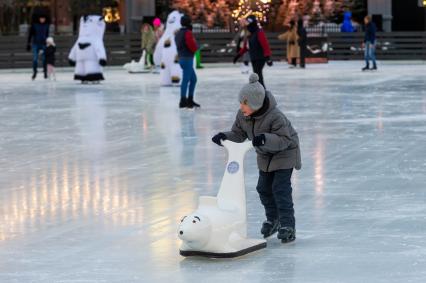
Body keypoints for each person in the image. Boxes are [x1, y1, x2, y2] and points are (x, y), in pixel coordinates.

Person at [211, 73, 302, 243]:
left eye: (245, 103)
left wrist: (265, 139)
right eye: (241, 102)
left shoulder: (275, 116)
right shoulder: (243, 115)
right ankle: (273, 219)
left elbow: (284, 139)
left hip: (285, 153)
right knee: (263, 188)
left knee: (280, 189)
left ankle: (288, 225)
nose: (241, 106)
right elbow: (238, 134)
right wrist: (224, 137)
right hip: (265, 155)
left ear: (256, 104)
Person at [233, 15, 272, 88]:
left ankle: (263, 95)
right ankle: (261, 92)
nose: (246, 24)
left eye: (247, 22)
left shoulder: (259, 32)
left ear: (252, 23)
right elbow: (246, 47)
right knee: (257, 76)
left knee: (258, 76)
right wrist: (238, 56)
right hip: (254, 58)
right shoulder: (250, 34)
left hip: (260, 58)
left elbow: (265, 45)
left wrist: (268, 58)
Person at [175, 15, 200, 109]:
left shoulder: (178, 33)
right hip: (187, 59)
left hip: (182, 59)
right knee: (186, 80)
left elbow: (179, 45)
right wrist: (196, 48)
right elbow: (191, 44)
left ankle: (189, 99)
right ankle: (183, 100)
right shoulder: (187, 33)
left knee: (193, 79)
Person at [27, 15, 49, 80]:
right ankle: (35, 72)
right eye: (41, 18)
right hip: (36, 43)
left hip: (44, 44)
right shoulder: (34, 25)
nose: (42, 19)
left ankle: (45, 72)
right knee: (35, 59)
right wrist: (28, 43)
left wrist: (48, 43)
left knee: (44, 58)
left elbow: (47, 35)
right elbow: (30, 34)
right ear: (39, 18)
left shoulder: (46, 25)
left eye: (44, 18)